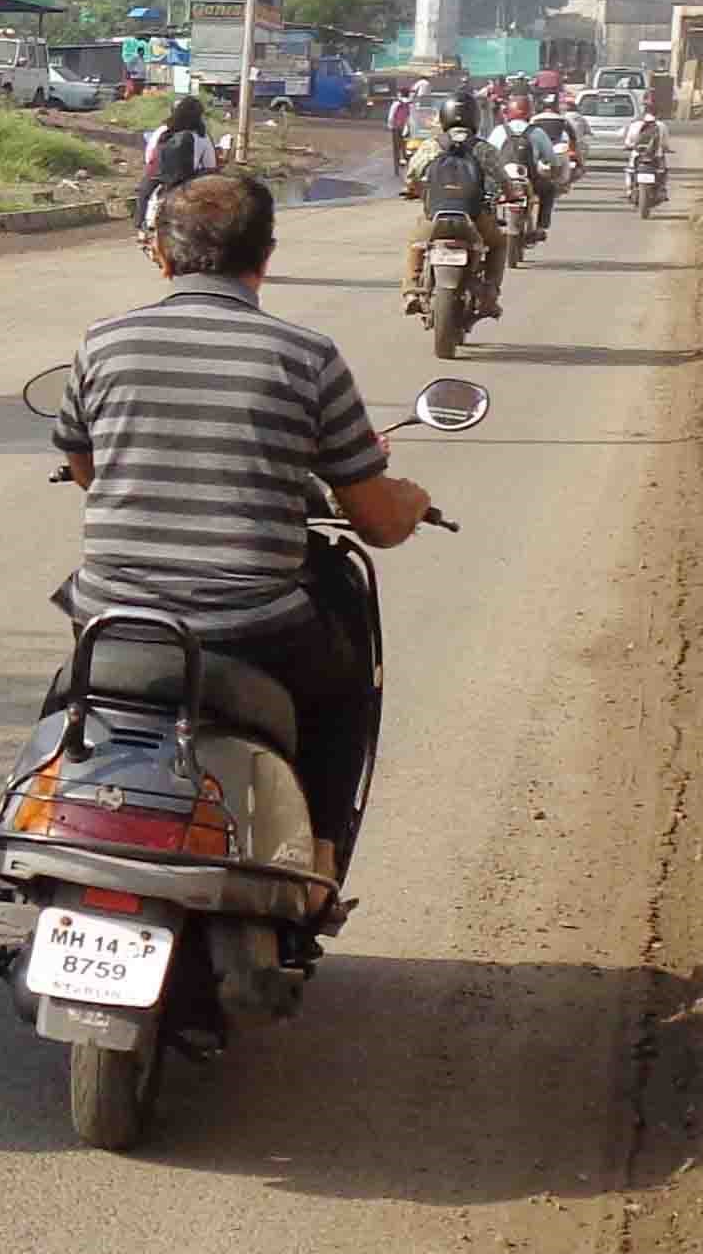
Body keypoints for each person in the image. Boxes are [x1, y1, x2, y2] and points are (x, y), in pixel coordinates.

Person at [49, 168, 431, 889]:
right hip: (252, 629)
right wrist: (410, 498)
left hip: (113, 615)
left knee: (72, 691)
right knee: (346, 687)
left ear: (162, 255)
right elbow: (376, 521)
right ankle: (317, 861)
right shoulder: (307, 358)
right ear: (266, 256)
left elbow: (82, 461)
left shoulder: (102, 343)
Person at [400, 93, 511, 318]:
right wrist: (511, 194)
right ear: (475, 119)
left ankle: (412, 292)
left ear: (443, 118)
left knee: (416, 243)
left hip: (436, 218)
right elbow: (504, 180)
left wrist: (413, 189)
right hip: (474, 219)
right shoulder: (484, 149)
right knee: (499, 244)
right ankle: (489, 294)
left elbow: (411, 175)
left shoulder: (432, 146)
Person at [139, 88, 212, 237]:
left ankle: (141, 229)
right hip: (189, 180)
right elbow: (210, 164)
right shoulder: (201, 135)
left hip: (158, 178)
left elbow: (149, 157)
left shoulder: (162, 131)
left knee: (144, 195)